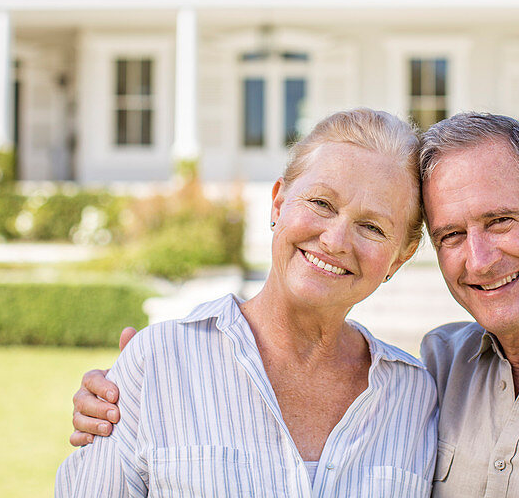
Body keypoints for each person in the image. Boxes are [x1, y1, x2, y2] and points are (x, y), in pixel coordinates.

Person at [74, 112, 519, 496]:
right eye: (453, 233)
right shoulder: (440, 373)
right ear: (278, 204)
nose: (479, 258)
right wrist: (125, 389)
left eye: (501, 220)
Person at [57, 108, 437, 497]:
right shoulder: (156, 363)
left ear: (400, 256)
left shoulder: (416, 397)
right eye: (321, 204)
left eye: (372, 227)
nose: (335, 240)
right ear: (278, 205)